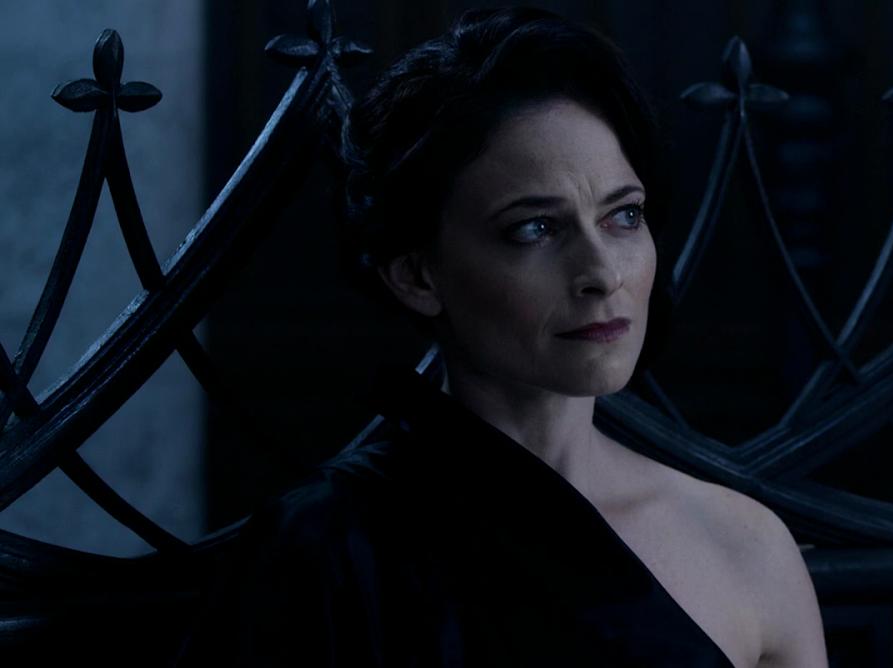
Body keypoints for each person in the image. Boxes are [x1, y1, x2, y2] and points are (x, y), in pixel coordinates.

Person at [175, 7, 827, 667]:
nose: (602, 273)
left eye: (625, 216)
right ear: (416, 275)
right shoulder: (326, 550)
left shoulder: (746, 548)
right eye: (535, 229)